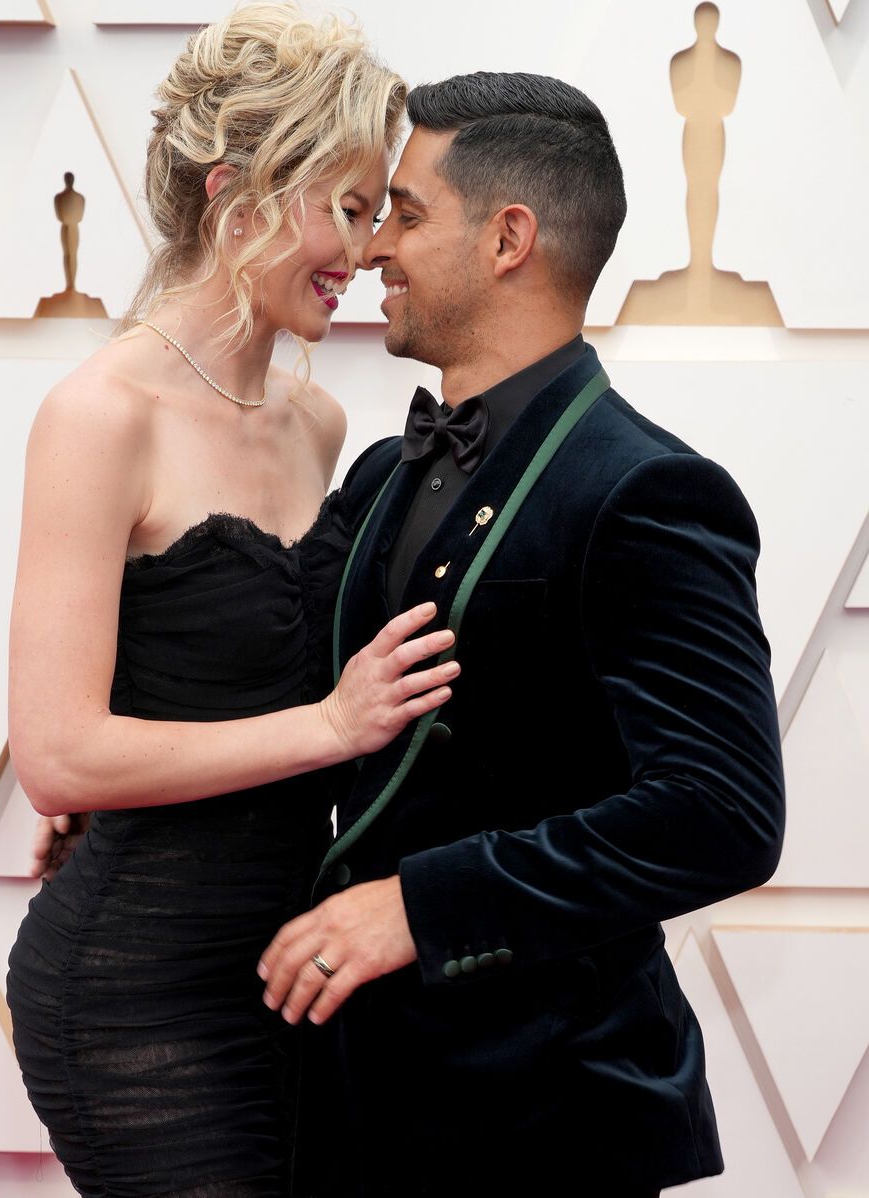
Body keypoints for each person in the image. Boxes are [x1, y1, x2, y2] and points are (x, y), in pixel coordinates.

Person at [257, 72, 786, 1196]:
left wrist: (420, 904)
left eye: (405, 211)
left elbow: (719, 815)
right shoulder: (375, 474)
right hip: (361, 1096)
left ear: (509, 238)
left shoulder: (649, 490)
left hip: (546, 1114)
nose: (376, 248)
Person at [4, 9, 461, 1196]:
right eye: (347, 205)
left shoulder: (318, 423)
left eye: (376, 214)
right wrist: (328, 726)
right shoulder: (102, 414)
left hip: (289, 972)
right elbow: (56, 756)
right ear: (237, 192)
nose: (364, 251)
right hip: (131, 990)